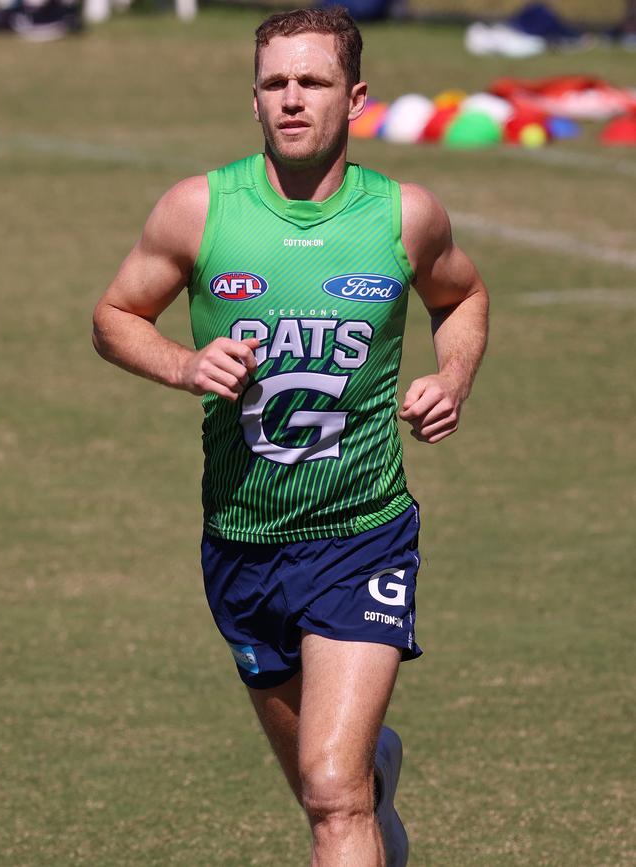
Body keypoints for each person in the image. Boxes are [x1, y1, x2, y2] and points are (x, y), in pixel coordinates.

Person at [92, 7, 489, 865]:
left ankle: (358, 788)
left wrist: (451, 377)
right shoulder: (199, 209)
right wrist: (182, 364)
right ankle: (371, 783)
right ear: (255, 98)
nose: (293, 100)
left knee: (331, 791)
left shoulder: (403, 216)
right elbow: (115, 316)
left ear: (355, 97)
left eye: (312, 82)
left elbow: (461, 297)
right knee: (329, 787)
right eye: (275, 83)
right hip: (242, 542)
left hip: (360, 535)